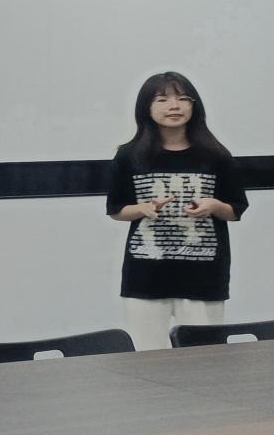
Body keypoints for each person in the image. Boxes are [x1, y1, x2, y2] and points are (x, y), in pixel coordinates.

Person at [106, 72, 248, 350]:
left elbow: (235, 209)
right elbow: (116, 209)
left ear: (194, 106)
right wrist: (144, 208)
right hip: (146, 273)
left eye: (183, 99)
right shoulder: (130, 155)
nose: (174, 106)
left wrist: (212, 205)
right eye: (162, 100)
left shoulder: (216, 155)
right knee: (147, 355)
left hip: (203, 274)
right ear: (146, 107)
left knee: (204, 356)